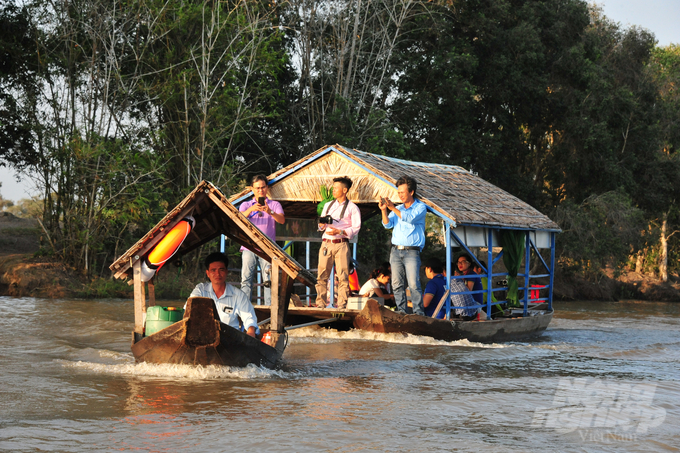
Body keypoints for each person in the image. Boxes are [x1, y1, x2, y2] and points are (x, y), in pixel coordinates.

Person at [380, 175, 427, 315]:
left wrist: (392, 208)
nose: (400, 195)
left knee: (413, 284)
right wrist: (384, 209)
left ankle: (419, 314)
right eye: (398, 192)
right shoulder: (398, 208)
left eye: (402, 192)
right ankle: (401, 312)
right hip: (395, 251)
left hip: (412, 252)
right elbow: (387, 224)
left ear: (411, 192)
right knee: (396, 284)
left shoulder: (420, 207)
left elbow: (409, 219)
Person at [315, 176, 362, 309]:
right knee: (322, 275)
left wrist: (340, 231)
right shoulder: (328, 205)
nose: (333, 190)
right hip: (326, 242)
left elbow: (356, 228)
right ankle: (320, 304)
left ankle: (342, 305)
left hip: (341, 243)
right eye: (333, 188)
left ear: (345, 190)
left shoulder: (352, 208)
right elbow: (321, 226)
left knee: (343, 276)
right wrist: (321, 224)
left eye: (336, 188)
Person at [187, 252, 258, 337]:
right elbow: (188, 310)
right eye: (213, 270)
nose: (217, 274)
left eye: (221, 270)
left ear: (226, 272)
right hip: (204, 337)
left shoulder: (238, 295)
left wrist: (251, 331)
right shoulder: (200, 290)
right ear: (208, 273)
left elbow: (249, 319)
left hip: (230, 341)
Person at [239, 175, 285, 304]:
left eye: (263, 187)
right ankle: (244, 308)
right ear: (252, 189)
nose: (260, 190)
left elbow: (281, 220)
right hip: (249, 246)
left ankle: (269, 310)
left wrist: (270, 211)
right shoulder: (246, 204)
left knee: (269, 280)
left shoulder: (274, 204)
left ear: (267, 188)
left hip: (268, 248)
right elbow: (237, 219)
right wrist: (251, 209)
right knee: (246, 280)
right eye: (257, 188)